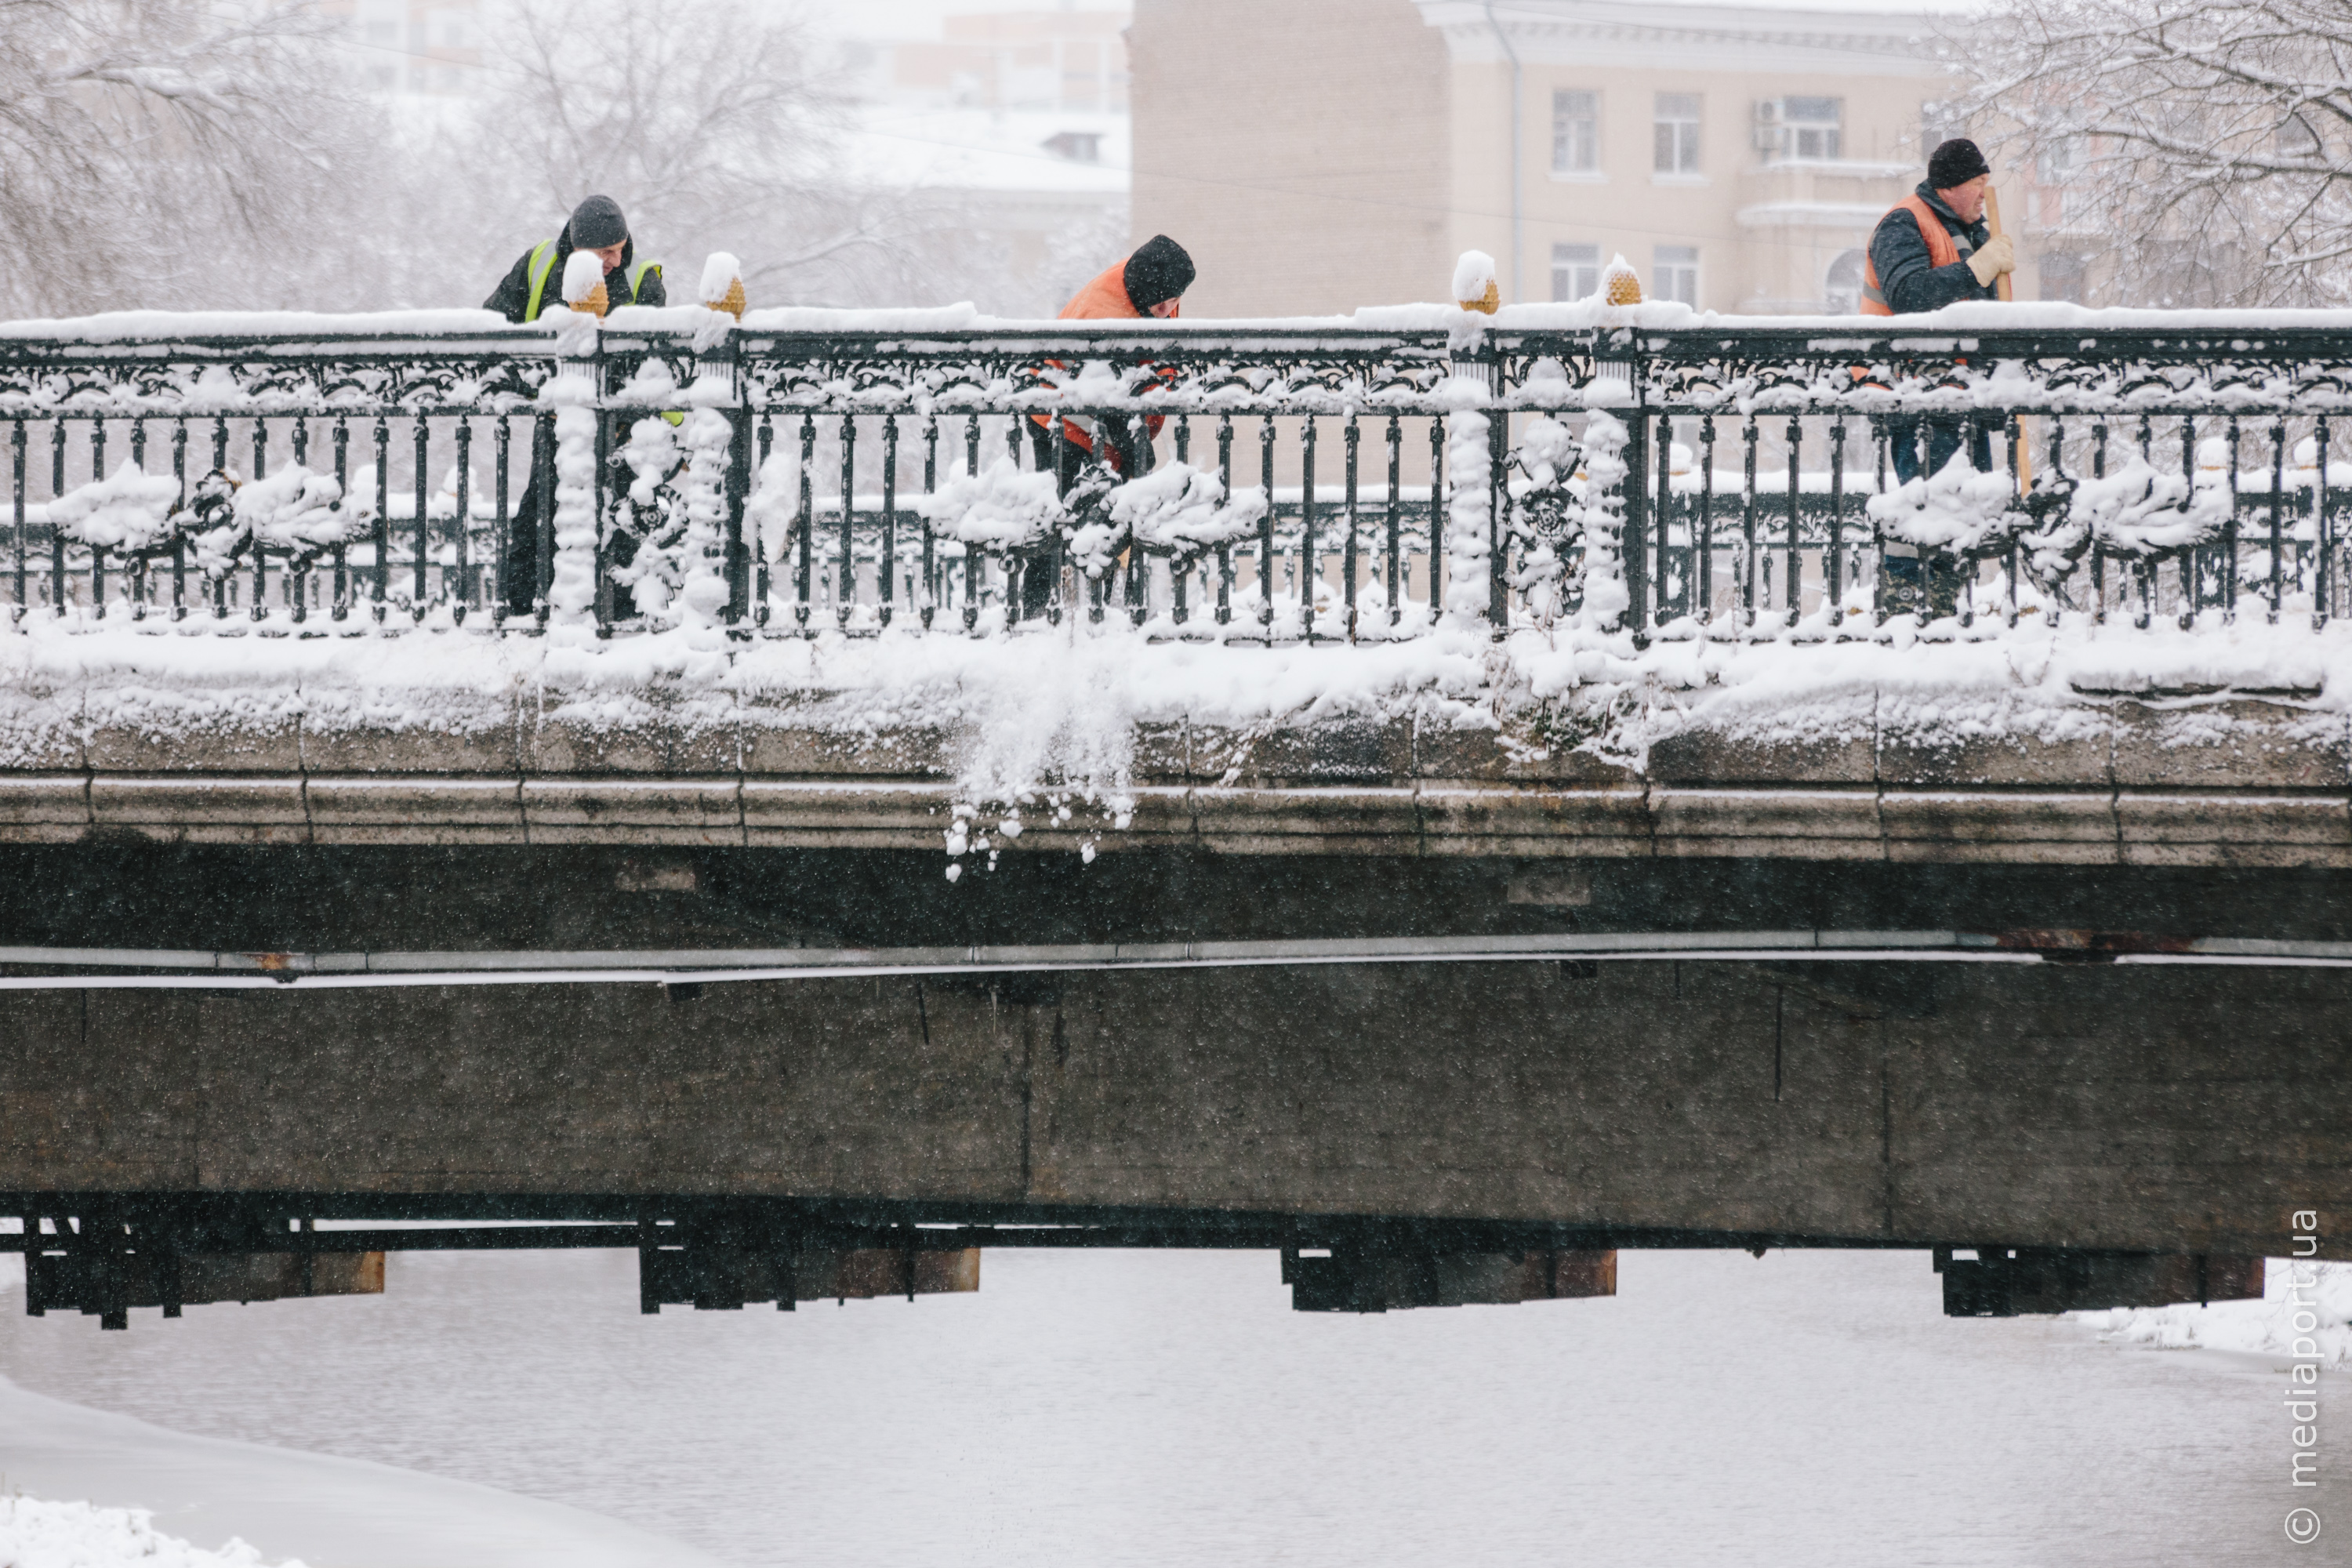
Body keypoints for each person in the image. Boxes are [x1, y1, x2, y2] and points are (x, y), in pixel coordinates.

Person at [485, 196, 666, 618]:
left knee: (621, 520)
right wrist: (538, 392)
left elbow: (654, 366)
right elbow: (494, 332)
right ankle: (526, 612)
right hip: (558, 421)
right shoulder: (538, 265)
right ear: (579, 248)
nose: (618, 261)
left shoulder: (643, 280)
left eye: (622, 247)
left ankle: (617, 616)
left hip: (623, 428)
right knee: (540, 517)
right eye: (607, 253)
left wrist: (624, 413)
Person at [1862, 138, 2015, 617]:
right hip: (1915, 393)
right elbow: (1908, 295)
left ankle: (1945, 608)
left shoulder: (1968, 231)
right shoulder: (1903, 223)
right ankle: (1908, 608)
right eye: (1977, 184)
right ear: (1950, 186)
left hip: (1959, 394)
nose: (1983, 194)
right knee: (1925, 504)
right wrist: (1977, 270)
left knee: (1961, 509)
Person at [1019, 234, 1194, 616]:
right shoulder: (1104, 316)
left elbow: (1158, 347)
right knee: (1060, 518)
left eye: (1176, 300)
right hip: (1058, 416)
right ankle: (1034, 614)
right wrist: (1132, 443)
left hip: (1108, 407)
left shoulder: (1154, 286)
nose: (1168, 309)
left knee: (1122, 510)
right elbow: (1092, 392)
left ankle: (1117, 605)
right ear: (1142, 293)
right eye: (1162, 303)